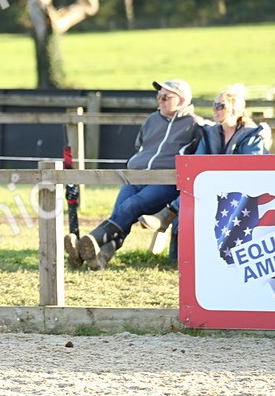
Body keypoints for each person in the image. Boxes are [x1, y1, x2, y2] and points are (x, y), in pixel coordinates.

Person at [67, 79, 203, 270]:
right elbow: (141, 147)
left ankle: (88, 243)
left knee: (130, 206)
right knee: (120, 211)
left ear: (181, 101)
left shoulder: (195, 126)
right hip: (137, 177)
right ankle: (100, 257)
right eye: (158, 96)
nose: (160, 100)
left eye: (166, 97)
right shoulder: (151, 120)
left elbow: (200, 155)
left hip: (166, 182)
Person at [139, 83, 271, 258]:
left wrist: (214, 175)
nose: (215, 110)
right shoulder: (210, 133)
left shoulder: (252, 135)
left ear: (234, 109)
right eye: (214, 105)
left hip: (242, 191)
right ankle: (180, 257)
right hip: (211, 188)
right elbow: (198, 164)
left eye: (220, 106)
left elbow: (249, 169)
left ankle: (168, 213)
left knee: (198, 191)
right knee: (191, 192)